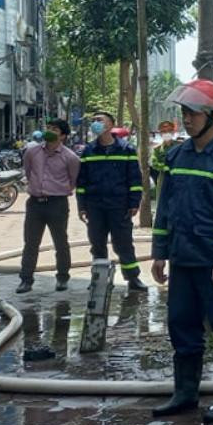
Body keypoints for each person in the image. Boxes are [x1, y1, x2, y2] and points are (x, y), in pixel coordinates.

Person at [150, 80, 213, 422]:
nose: (187, 119)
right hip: (182, 260)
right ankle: (185, 394)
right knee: (182, 327)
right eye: (184, 112)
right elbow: (165, 209)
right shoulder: (176, 155)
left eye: (193, 113)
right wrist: (159, 252)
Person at [76, 111, 146, 292]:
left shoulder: (126, 149)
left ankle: (133, 279)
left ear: (110, 125)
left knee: (123, 244)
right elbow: (81, 182)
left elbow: (135, 180)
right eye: (93, 121)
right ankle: (99, 280)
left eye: (99, 120)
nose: (95, 124)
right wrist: (82, 205)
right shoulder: (88, 151)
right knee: (97, 244)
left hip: (119, 205)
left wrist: (134, 203)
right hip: (95, 206)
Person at [17, 119, 80, 294]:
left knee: (60, 242)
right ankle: (26, 280)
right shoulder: (32, 152)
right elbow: (28, 173)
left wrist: (56, 190)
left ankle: (62, 277)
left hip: (57, 204)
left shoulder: (71, 158)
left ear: (63, 136)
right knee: (30, 243)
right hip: (35, 203)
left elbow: (72, 180)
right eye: (49, 128)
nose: (50, 131)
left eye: (55, 129)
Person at [149, 121, 181, 201]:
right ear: (160, 134)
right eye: (164, 131)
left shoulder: (181, 146)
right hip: (163, 178)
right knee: (162, 200)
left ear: (173, 132)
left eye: (169, 131)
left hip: (179, 177)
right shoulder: (157, 149)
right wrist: (167, 168)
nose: (167, 133)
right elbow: (154, 163)